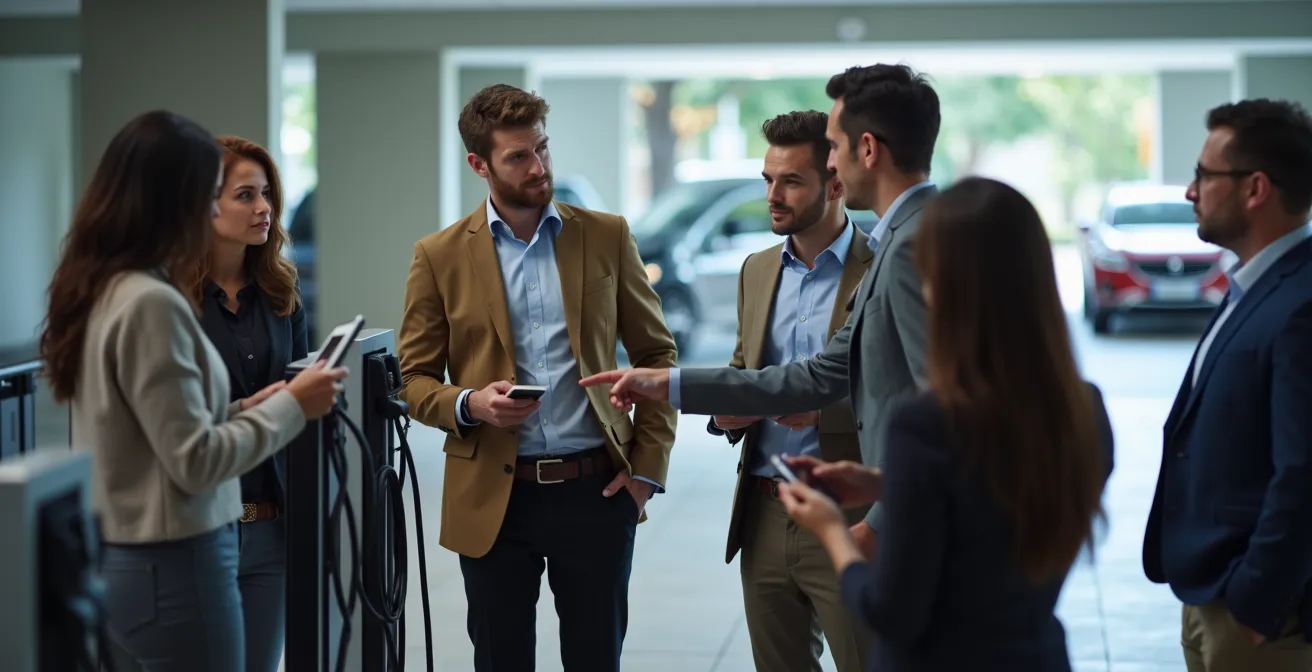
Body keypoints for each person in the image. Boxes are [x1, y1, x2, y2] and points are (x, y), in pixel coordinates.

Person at [579, 63, 940, 560]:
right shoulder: (911, 236)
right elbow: (825, 372)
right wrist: (668, 384)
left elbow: (943, 409)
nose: (832, 163)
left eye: (833, 147)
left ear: (868, 150)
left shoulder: (913, 246)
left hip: (918, 532)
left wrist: (878, 521)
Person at [38, 110, 346, 671]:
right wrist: (289, 406)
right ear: (171, 199)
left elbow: (159, 429)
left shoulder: (109, 288)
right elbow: (195, 461)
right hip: (176, 562)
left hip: (138, 556)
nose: (212, 210)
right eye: (212, 195)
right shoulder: (153, 302)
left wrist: (240, 408)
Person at [779, 176, 1115, 671]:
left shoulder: (930, 425)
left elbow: (891, 611)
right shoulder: (1083, 408)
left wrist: (832, 532)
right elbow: (993, 495)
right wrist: (885, 482)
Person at [396, 83, 678, 672]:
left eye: (542, 148)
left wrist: (645, 474)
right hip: (494, 502)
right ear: (480, 165)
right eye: (518, 157)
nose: (539, 166)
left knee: (596, 658)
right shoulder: (439, 256)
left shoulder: (604, 235)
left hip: (596, 491)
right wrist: (471, 403)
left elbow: (657, 355)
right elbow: (414, 379)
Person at [1142, 98, 1312, 671]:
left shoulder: (1301, 303)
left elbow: (1304, 472)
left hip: (1261, 616)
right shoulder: (1256, 285)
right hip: (1209, 593)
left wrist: (1256, 604)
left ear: (1255, 188)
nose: (1191, 191)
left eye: (1203, 175)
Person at [705, 110, 872, 672]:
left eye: (791, 181)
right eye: (768, 180)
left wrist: (826, 411)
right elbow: (742, 369)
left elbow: (911, 393)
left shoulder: (884, 269)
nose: (772, 196)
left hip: (852, 511)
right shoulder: (755, 271)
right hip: (765, 509)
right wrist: (726, 415)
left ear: (837, 184)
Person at [187, 135, 306, 672]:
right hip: (200, 525)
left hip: (272, 525)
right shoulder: (170, 301)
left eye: (266, 195)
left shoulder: (281, 293)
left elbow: (301, 404)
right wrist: (254, 407)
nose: (264, 208)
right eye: (245, 195)